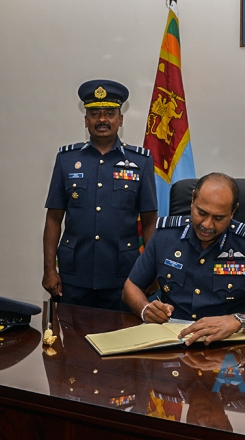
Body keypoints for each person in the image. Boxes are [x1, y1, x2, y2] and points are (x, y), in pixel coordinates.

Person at [123, 172, 245, 344]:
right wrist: (145, 309)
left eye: (218, 218)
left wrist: (235, 321)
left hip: (226, 347)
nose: (207, 224)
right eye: (202, 213)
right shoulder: (165, 235)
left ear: (233, 212)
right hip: (172, 341)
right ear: (192, 200)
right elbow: (130, 287)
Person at [43, 79, 158, 311]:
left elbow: (149, 222)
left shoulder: (141, 162)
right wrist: (49, 270)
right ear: (86, 120)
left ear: (120, 119)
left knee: (121, 333)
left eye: (109, 114)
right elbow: (53, 218)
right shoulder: (67, 160)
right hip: (74, 273)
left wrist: (151, 271)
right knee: (71, 334)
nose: (102, 120)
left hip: (123, 275)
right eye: (95, 114)